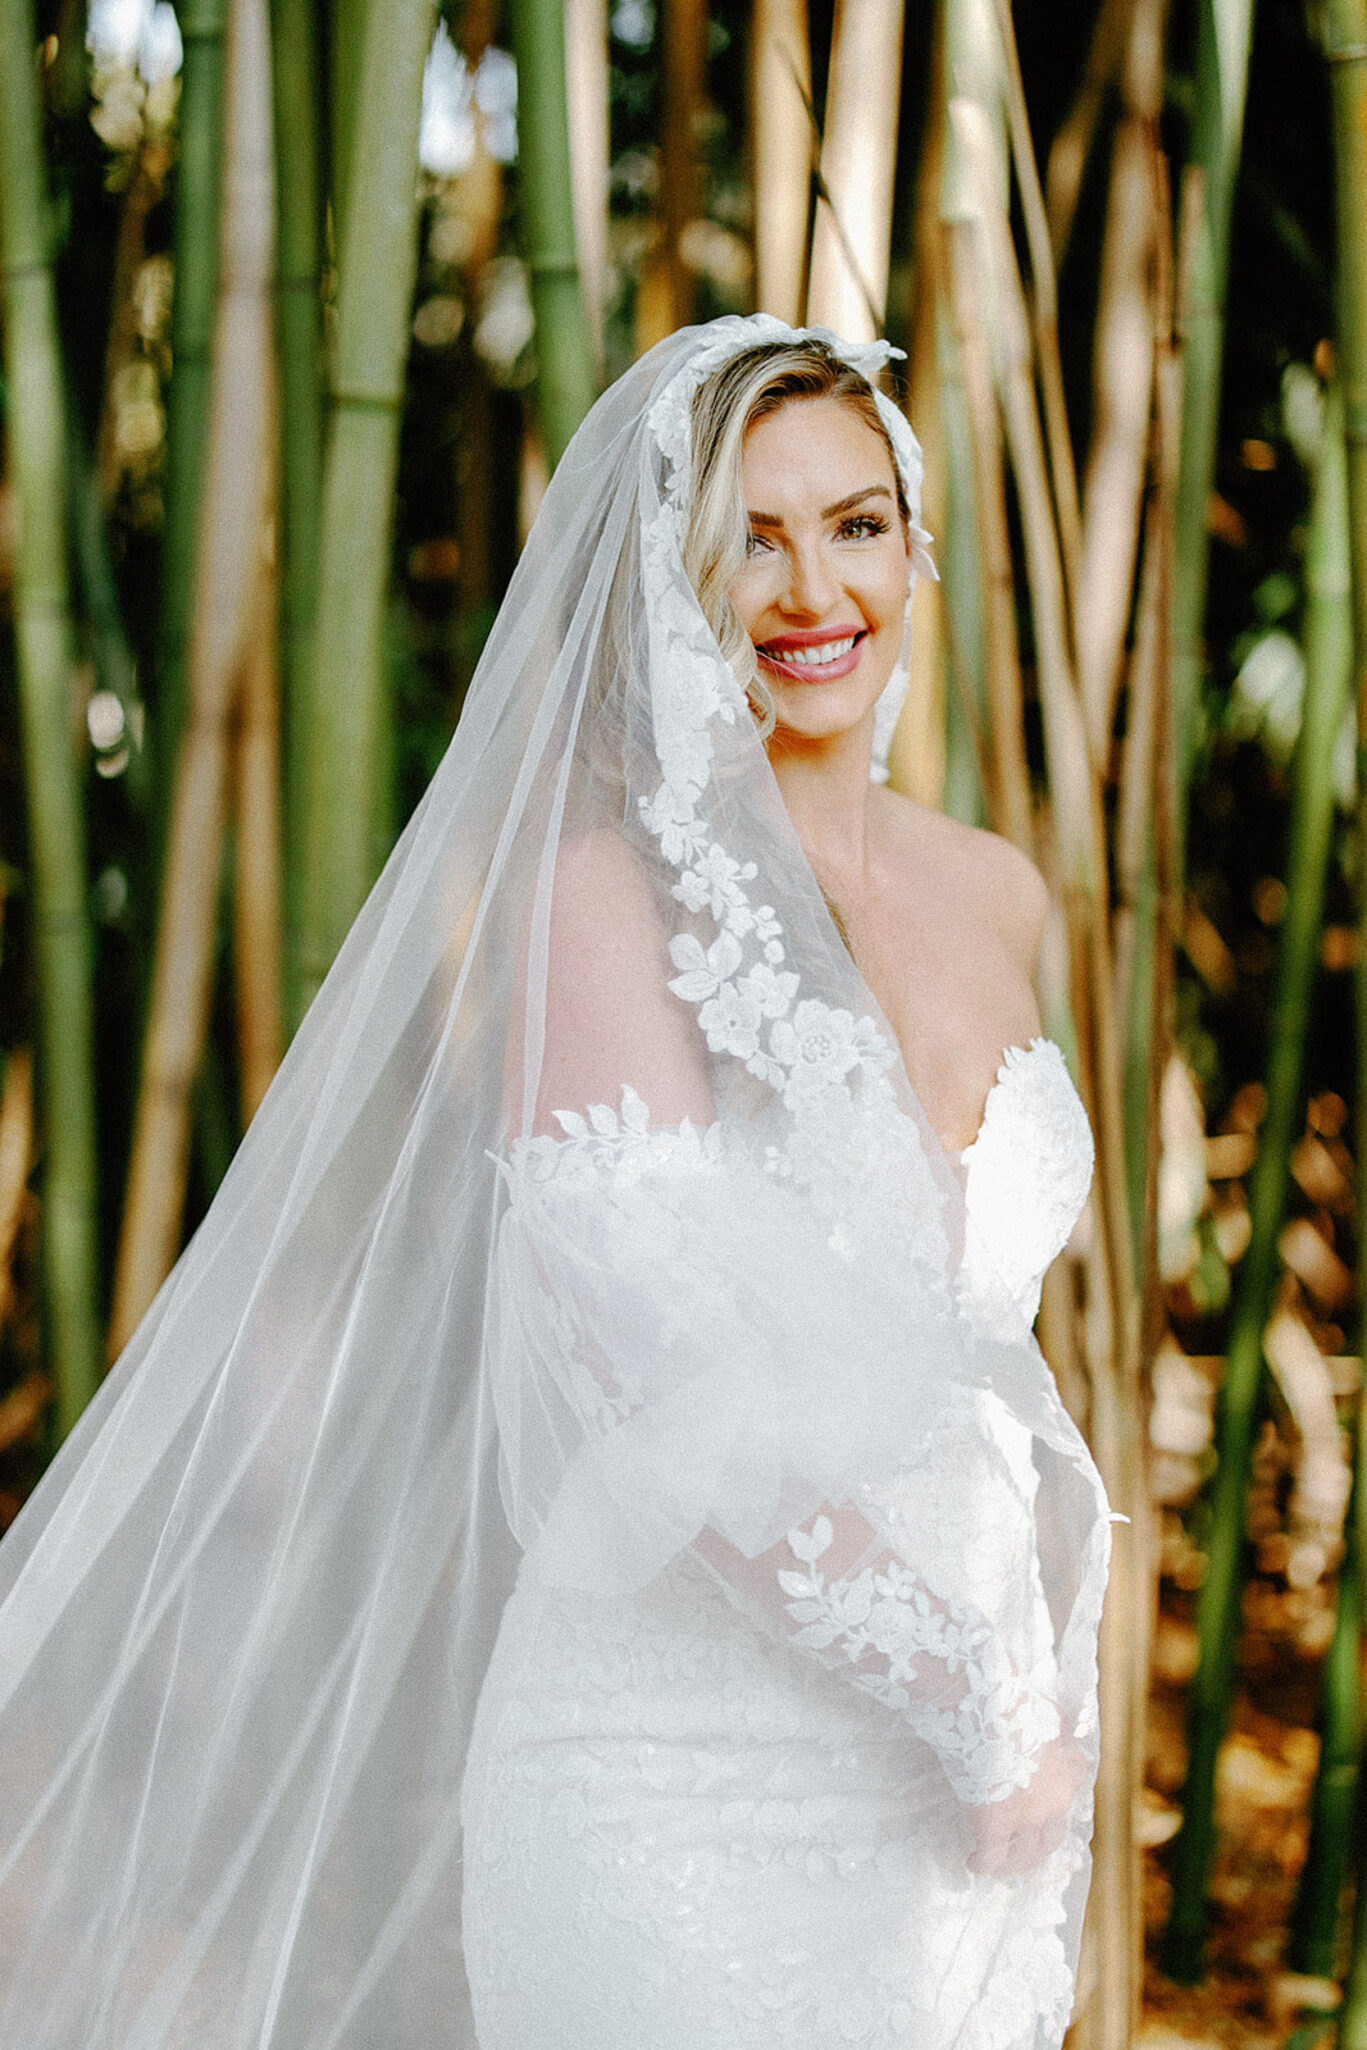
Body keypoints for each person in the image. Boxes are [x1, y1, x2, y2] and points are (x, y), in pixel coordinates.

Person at [0, 316, 1109, 2049]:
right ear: (675, 579)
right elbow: (672, 1403)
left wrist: (1022, 1691)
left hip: (965, 1811)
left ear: (918, 543)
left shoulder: (1003, 896)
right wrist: (973, 1700)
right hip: (679, 1792)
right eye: (751, 535)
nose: (812, 585)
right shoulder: (597, 905)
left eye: (856, 522)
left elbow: (978, 1346)